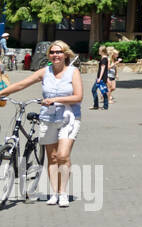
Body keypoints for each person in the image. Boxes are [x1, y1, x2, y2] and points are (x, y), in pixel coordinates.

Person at [0, 40, 83, 206]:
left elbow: (78, 97)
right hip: (47, 118)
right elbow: (22, 84)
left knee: (62, 155)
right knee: (52, 157)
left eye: (59, 52)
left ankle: (63, 192)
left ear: (66, 54)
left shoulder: (73, 72)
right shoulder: (46, 71)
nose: (55, 55)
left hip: (69, 118)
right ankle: (54, 193)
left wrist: (55, 100)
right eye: (52, 52)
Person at [92, 45, 110, 110]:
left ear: (102, 51)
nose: (98, 52)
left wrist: (99, 78)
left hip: (101, 78)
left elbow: (103, 69)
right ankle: (100, 106)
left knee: (97, 90)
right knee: (102, 91)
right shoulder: (104, 58)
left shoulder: (104, 59)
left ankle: (102, 106)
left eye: (99, 50)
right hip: (102, 77)